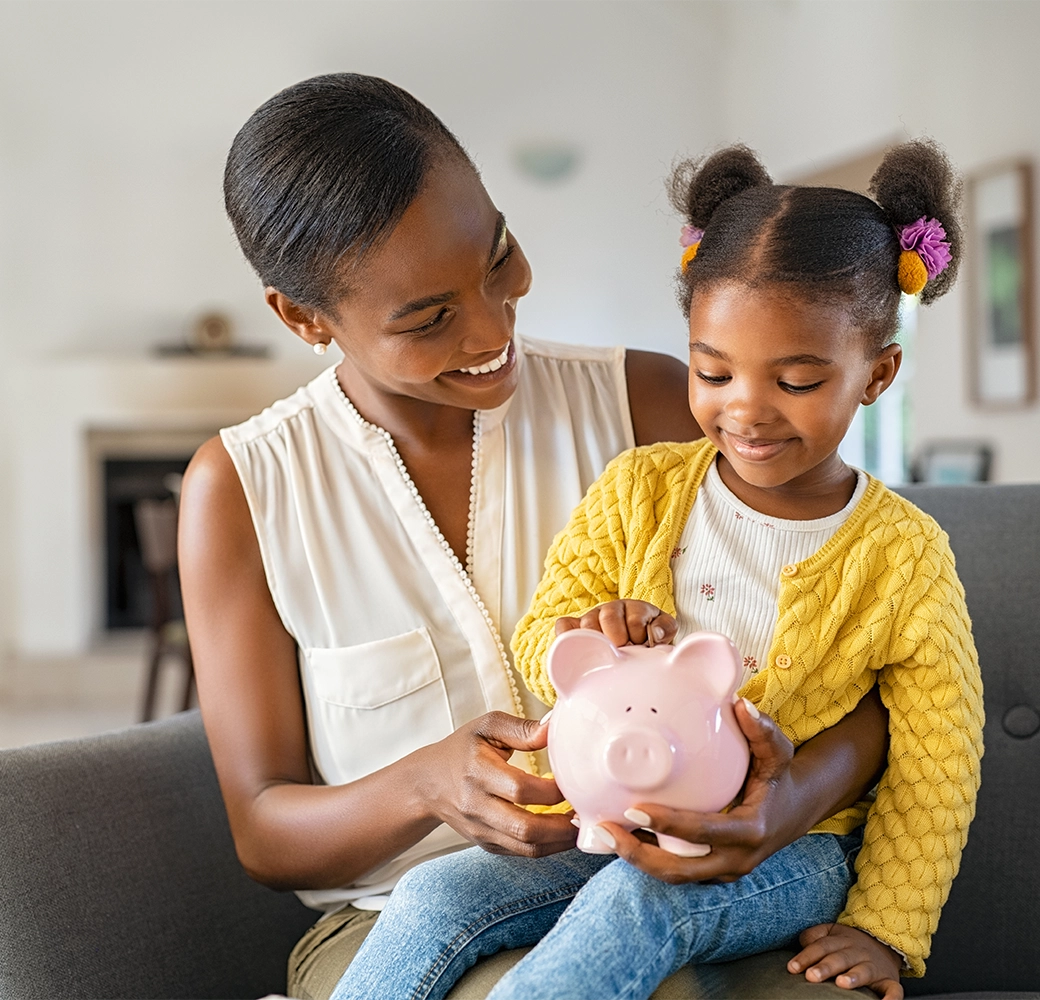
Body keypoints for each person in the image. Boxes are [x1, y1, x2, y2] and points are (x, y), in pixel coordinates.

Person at [179, 74, 891, 1000]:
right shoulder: (243, 488)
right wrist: (424, 787)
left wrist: (785, 804)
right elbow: (264, 831)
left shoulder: (648, 405)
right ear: (304, 318)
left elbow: (875, 654)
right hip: (397, 926)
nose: (492, 325)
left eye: (499, 256)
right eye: (429, 318)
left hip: (676, 880)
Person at [327, 141, 985, 1000]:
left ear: (877, 374)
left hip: (798, 849)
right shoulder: (640, 489)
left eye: (795, 380)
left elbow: (941, 759)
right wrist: (588, 633)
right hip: (608, 819)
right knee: (439, 891)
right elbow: (542, 637)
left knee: (636, 905)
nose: (744, 409)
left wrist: (885, 932)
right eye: (713, 372)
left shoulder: (904, 555)